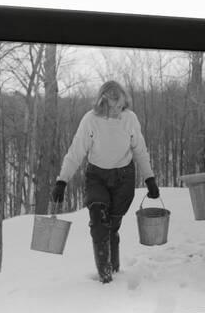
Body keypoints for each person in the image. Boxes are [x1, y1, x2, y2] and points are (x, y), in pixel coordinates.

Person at [51, 80, 159, 284]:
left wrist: (149, 178)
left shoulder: (130, 119)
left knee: (112, 226)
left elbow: (140, 151)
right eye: (114, 106)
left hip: (123, 179)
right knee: (99, 224)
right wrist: (62, 181)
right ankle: (105, 277)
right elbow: (76, 152)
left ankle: (114, 267)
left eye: (121, 105)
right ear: (103, 103)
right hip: (97, 178)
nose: (119, 110)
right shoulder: (90, 121)